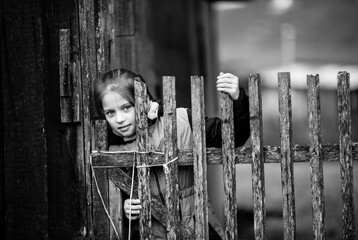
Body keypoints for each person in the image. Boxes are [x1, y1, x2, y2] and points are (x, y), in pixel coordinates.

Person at [93, 68, 250, 240]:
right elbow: (102, 202)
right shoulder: (107, 149)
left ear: (144, 100)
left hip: (198, 229)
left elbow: (232, 137)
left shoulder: (182, 122)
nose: (119, 119)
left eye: (126, 108)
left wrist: (238, 99)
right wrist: (123, 208)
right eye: (110, 113)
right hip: (149, 234)